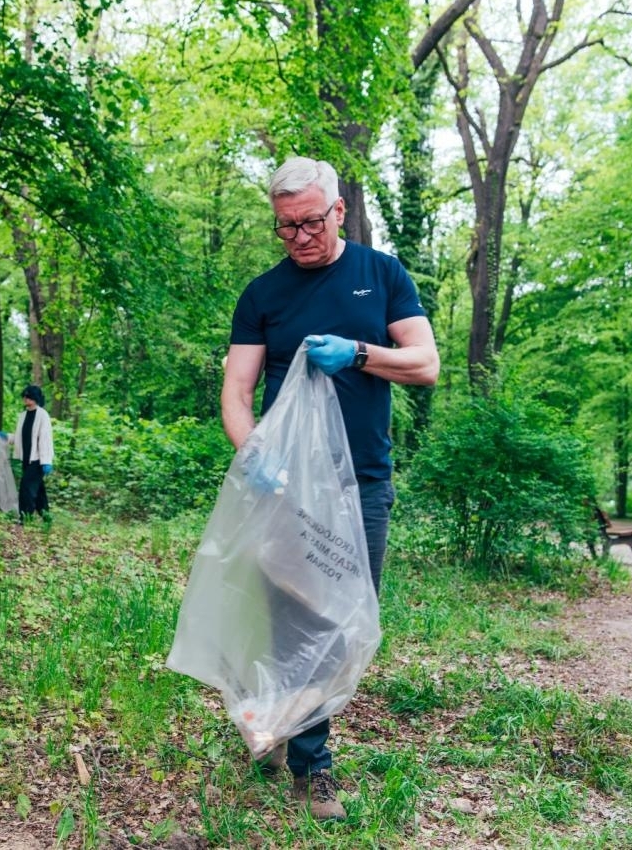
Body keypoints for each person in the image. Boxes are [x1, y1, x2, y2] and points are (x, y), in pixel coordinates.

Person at [220, 156, 440, 820]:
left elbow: (426, 364)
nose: (299, 238)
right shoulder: (263, 294)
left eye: (311, 222)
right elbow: (236, 392)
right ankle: (282, 735)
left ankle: (308, 756)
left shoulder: (382, 275)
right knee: (284, 614)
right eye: (285, 227)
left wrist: (360, 353)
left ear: (339, 210)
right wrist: (253, 451)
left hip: (362, 484)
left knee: (337, 619)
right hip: (286, 484)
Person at [11, 384, 54, 522]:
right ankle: (46, 516)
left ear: (35, 398)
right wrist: (6, 437)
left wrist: (46, 461)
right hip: (26, 459)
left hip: (37, 461)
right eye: (24, 396)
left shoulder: (42, 415)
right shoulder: (22, 416)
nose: (25, 399)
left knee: (26, 488)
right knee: (38, 490)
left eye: (28, 396)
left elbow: (45, 439)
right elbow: (20, 437)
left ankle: (25, 518)